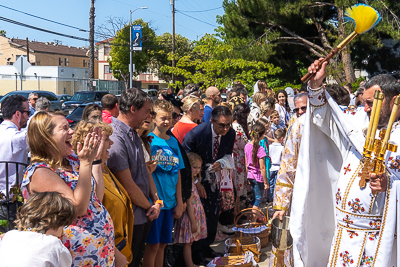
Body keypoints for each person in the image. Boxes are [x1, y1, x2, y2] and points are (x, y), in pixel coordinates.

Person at [289, 60, 400, 266]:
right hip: (344, 235)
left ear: (394, 101)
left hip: (379, 237)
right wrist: (316, 85)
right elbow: (328, 115)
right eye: (364, 101)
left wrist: (391, 185)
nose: (365, 108)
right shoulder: (357, 120)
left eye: (372, 102)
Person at [21, 111, 115, 266]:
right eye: (64, 128)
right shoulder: (40, 172)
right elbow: (78, 207)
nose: (71, 131)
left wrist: (95, 160)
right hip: (70, 258)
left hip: (98, 256)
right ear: (46, 138)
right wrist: (85, 163)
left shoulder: (72, 161)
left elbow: (95, 199)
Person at [106, 88, 161, 267]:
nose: (150, 116)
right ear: (133, 109)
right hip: (131, 217)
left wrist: (155, 201)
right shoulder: (116, 136)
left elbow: (144, 172)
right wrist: (150, 206)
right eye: (148, 111)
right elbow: (128, 185)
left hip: (142, 214)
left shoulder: (132, 133)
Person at [72, 121, 133, 267]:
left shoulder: (105, 170)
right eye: (106, 139)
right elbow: (94, 205)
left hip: (117, 247)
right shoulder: (86, 176)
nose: (111, 143)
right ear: (91, 142)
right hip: (104, 251)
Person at [182, 106, 235, 266]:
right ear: (211, 121)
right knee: (199, 216)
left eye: (228, 124)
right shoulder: (197, 134)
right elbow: (185, 158)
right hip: (196, 179)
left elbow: (228, 153)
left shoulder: (230, 133)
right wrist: (196, 182)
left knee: (212, 214)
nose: (225, 128)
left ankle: (207, 247)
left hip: (215, 179)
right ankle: (197, 252)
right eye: (221, 125)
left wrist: (222, 162)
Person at [143, 100, 184, 267]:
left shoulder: (173, 141)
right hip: (155, 203)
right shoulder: (149, 140)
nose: (167, 121)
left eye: (170, 118)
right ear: (153, 117)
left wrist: (180, 201)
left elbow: (178, 172)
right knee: (152, 246)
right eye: (163, 118)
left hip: (170, 201)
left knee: (163, 245)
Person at [0, 192, 75, 267]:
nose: (62, 231)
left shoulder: (10, 235)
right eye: (63, 226)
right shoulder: (55, 244)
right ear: (56, 223)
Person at [0, 95, 30, 232]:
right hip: (9, 201)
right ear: (18, 114)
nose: (28, 117)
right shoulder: (19, 137)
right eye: (27, 113)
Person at [174, 152, 207, 267]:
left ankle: (191, 263)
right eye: (194, 167)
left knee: (190, 242)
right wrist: (193, 222)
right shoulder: (187, 183)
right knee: (188, 243)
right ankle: (190, 265)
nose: (197, 170)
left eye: (199, 168)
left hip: (194, 215)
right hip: (189, 217)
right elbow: (188, 203)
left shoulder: (193, 181)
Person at [244, 121, 269, 210]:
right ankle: (253, 220)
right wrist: (266, 182)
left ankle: (249, 218)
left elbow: (246, 164)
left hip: (250, 175)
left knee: (253, 198)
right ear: (262, 135)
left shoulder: (247, 146)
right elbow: (262, 167)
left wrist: (248, 176)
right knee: (258, 199)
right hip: (258, 177)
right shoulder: (260, 149)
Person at [231, 103, 250, 213]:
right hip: (238, 158)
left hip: (236, 157)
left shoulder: (232, 125)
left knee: (237, 187)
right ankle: (236, 213)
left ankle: (237, 211)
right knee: (238, 188)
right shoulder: (237, 127)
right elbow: (244, 144)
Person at [268, 128, 285, 203]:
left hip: (271, 167)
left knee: (270, 184)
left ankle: (269, 199)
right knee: (276, 184)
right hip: (278, 167)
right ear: (281, 138)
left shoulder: (270, 147)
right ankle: (275, 199)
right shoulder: (282, 148)